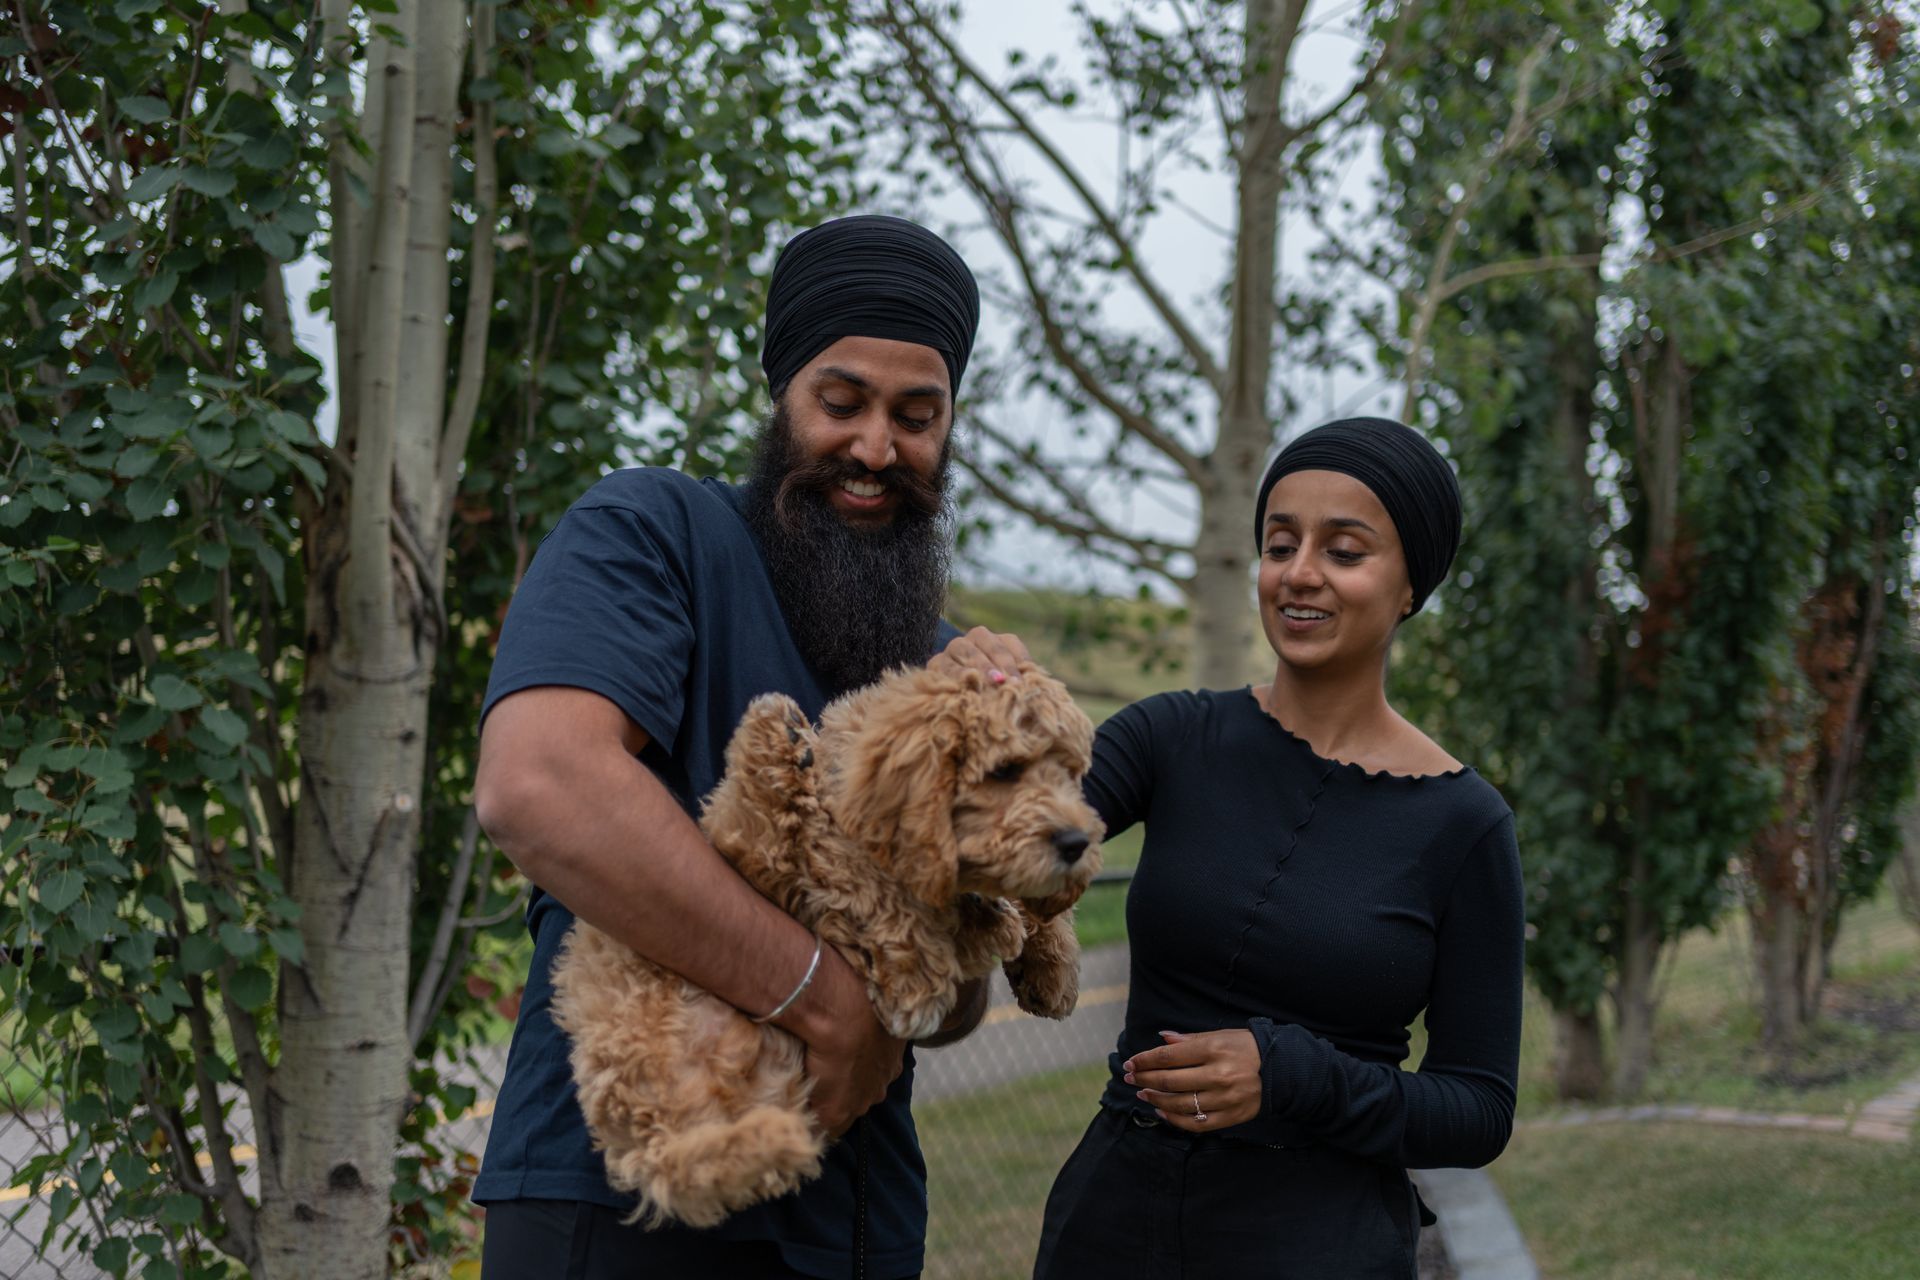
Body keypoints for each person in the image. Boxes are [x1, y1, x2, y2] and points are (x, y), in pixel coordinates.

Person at [470, 214, 996, 1279]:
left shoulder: (938, 665)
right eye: (839, 402)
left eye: (917, 414)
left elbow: (949, 1004)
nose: (876, 447)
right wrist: (821, 993)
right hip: (623, 1200)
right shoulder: (654, 531)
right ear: (781, 396)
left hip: (854, 1216)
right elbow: (537, 781)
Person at [948, 418, 1524, 1279]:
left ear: (1411, 585)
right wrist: (976, 695)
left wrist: (1295, 1078)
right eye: (1280, 542)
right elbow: (997, 834)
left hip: (1321, 1246)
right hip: (1113, 1225)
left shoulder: (1464, 825)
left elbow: (1478, 1109)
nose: (1299, 572)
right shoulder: (1170, 737)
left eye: (1345, 549)